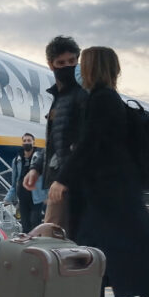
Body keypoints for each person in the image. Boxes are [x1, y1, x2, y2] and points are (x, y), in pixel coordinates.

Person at [52, 47, 149, 297]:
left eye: (83, 64)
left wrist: (63, 178)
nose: (79, 69)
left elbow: (89, 145)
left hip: (111, 190)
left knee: (107, 247)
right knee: (103, 247)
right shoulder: (105, 98)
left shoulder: (102, 100)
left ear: (94, 67)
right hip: (110, 188)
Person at [25, 36, 88, 233]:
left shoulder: (82, 96)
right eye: (61, 63)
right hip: (63, 181)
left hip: (73, 182)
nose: (68, 67)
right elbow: (56, 143)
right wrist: (36, 168)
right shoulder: (60, 98)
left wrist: (63, 179)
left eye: (72, 62)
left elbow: (83, 143)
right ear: (51, 65)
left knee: (53, 238)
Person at [5, 133, 46, 233]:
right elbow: (14, 181)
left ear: (33, 142)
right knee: (25, 224)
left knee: (35, 222)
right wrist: (8, 198)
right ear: (22, 143)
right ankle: (26, 245)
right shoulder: (16, 160)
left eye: (29, 140)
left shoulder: (40, 157)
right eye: (25, 141)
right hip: (22, 196)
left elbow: (45, 177)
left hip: (36, 196)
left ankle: (36, 244)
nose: (27, 142)